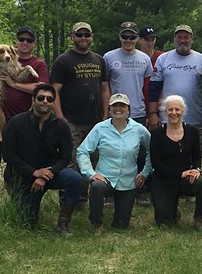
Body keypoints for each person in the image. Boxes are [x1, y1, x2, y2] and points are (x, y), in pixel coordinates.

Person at [0, 26, 49, 209]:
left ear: (34, 43)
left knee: (17, 166)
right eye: (21, 39)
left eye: (29, 40)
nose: (24, 43)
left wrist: (13, 83)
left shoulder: (37, 64)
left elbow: (42, 88)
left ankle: (17, 205)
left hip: (21, 123)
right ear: (16, 41)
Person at [2, 84, 82, 235]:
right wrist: (34, 173)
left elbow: (66, 156)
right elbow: (8, 155)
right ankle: (28, 209)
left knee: (74, 178)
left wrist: (47, 174)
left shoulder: (60, 126)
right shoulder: (16, 122)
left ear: (53, 102)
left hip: (50, 175)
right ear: (33, 100)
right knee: (26, 222)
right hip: (23, 177)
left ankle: (63, 223)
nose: (45, 101)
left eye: (49, 99)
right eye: (41, 98)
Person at [50, 22, 110, 204]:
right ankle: (70, 197)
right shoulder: (63, 60)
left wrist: (105, 115)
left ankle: (84, 197)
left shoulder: (99, 60)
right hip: (72, 120)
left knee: (92, 160)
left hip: (95, 121)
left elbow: (105, 89)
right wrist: (61, 118)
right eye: (79, 34)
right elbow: (54, 91)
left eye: (87, 34)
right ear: (72, 37)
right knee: (73, 160)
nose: (83, 38)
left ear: (91, 37)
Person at [76, 93, 152, 233]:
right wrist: (91, 174)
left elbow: (153, 151)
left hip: (129, 181)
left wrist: (145, 173)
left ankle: (120, 217)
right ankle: (96, 222)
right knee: (97, 187)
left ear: (128, 109)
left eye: (122, 106)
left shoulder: (139, 129)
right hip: (105, 178)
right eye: (114, 106)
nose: (118, 109)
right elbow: (82, 151)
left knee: (121, 225)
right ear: (109, 109)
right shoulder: (100, 128)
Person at [104, 21, 153, 205]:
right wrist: (106, 111)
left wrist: (150, 113)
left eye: (132, 37)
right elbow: (105, 86)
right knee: (112, 152)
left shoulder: (144, 59)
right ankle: (110, 191)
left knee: (139, 153)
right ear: (120, 37)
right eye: (125, 36)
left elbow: (148, 88)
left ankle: (140, 190)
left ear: (137, 39)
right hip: (115, 111)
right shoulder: (109, 57)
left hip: (138, 111)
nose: (128, 40)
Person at [149, 95, 202, 229]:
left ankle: (199, 218)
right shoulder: (157, 134)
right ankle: (173, 210)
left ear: (183, 111)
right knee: (164, 223)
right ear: (165, 111)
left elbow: (196, 156)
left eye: (177, 109)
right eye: (170, 109)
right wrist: (180, 174)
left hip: (185, 179)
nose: (174, 113)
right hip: (163, 181)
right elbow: (156, 164)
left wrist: (196, 169)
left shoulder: (192, 132)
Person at [148, 25, 202, 129]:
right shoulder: (163, 59)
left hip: (194, 120)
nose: (182, 40)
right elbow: (153, 90)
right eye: (179, 37)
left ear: (192, 39)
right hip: (167, 119)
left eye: (186, 37)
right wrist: (152, 114)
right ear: (174, 39)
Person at [137, 25, 164, 126]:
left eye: (152, 39)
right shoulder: (134, 58)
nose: (150, 43)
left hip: (160, 106)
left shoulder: (162, 57)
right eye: (146, 40)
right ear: (139, 40)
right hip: (140, 106)